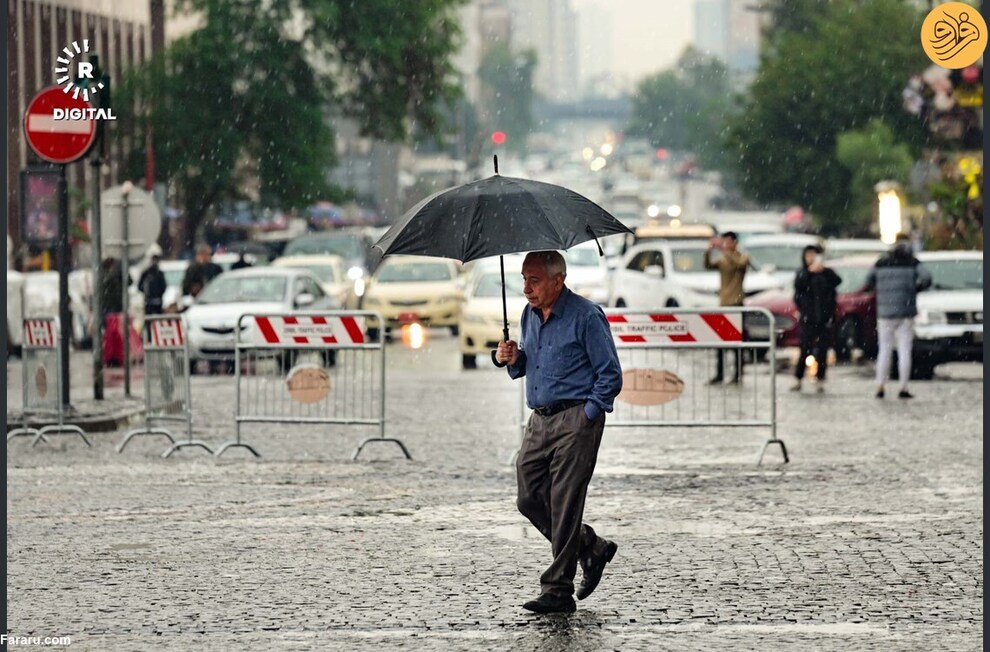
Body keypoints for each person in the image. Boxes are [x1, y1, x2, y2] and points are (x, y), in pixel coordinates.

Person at [495, 251, 623, 614]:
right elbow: (529, 364)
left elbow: (610, 374)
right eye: (522, 279)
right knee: (529, 497)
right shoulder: (528, 315)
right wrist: (512, 358)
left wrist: (588, 415)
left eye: (534, 280)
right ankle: (590, 547)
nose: (526, 288)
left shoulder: (586, 316)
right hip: (539, 419)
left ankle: (558, 590)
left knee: (566, 502)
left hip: (575, 419)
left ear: (558, 280)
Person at [864, 233, 932, 399]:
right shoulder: (912, 262)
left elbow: (869, 279)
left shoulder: (881, 262)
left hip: (885, 312)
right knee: (904, 350)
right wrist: (915, 289)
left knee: (884, 349)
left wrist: (881, 290)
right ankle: (903, 386)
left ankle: (880, 384)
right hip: (906, 311)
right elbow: (927, 278)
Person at [791, 245, 842, 393]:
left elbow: (837, 281)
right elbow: (798, 286)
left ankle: (820, 378)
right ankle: (798, 378)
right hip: (808, 318)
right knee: (805, 348)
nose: (811, 259)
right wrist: (809, 272)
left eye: (814, 255)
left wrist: (823, 270)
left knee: (822, 350)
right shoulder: (803, 273)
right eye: (808, 256)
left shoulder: (826, 274)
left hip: (824, 318)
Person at [703, 231, 751, 384]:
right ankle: (720, 373)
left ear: (735, 242)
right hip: (724, 303)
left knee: (737, 340)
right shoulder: (722, 259)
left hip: (737, 303)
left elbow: (740, 264)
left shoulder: (742, 257)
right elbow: (708, 265)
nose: (726, 245)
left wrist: (726, 251)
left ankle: (738, 373)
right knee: (720, 341)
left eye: (729, 241)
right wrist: (708, 251)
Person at [138, 254, 167, 319]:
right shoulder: (146, 273)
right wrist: (146, 292)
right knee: (149, 320)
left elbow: (164, 286)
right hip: (149, 301)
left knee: (157, 320)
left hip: (157, 301)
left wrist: (158, 293)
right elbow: (140, 286)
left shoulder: (159, 274)